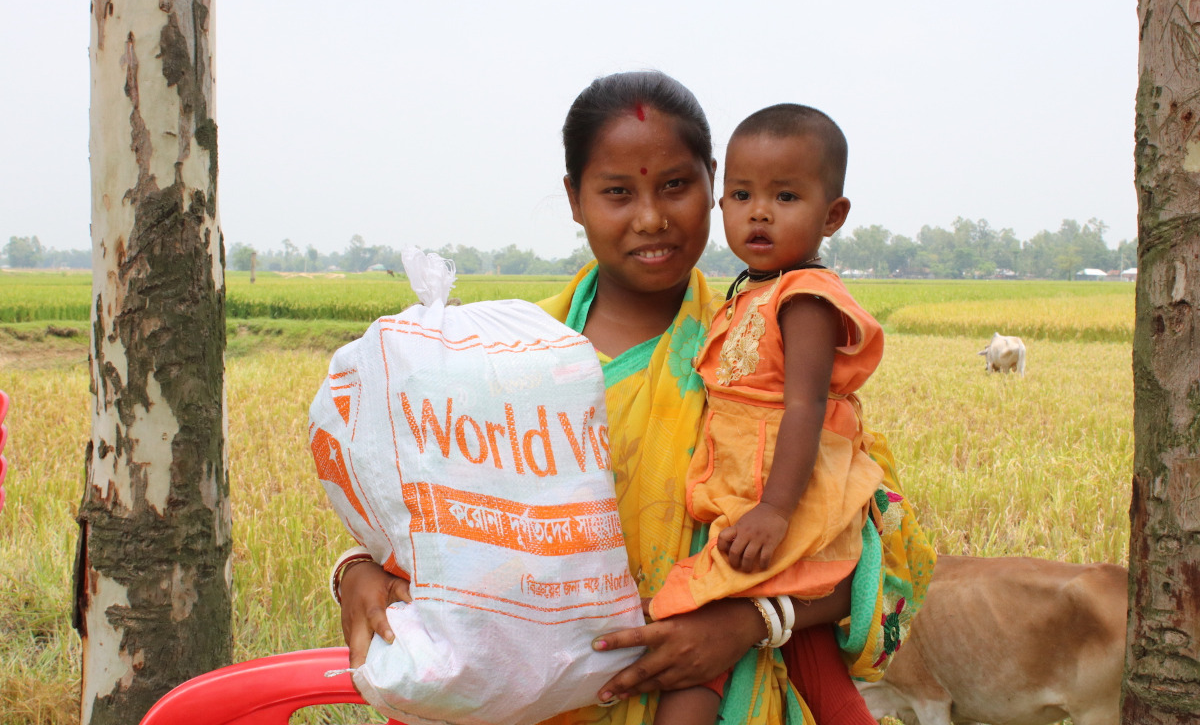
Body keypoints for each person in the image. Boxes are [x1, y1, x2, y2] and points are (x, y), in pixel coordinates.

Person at [332, 72, 936, 725]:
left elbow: (864, 546)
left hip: (725, 699)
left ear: (711, 182)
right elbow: (431, 523)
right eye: (617, 192)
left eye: (675, 186)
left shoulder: (758, 356)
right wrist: (357, 571)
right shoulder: (498, 361)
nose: (651, 218)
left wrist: (744, 623)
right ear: (575, 197)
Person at [650, 103, 920, 724]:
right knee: (815, 663)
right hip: (751, 491)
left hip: (779, 497)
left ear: (834, 215)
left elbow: (804, 407)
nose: (760, 211)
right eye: (741, 195)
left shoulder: (805, 297)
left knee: (692, 624)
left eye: (786, 196)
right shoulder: (754, 289)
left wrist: (774, 509)